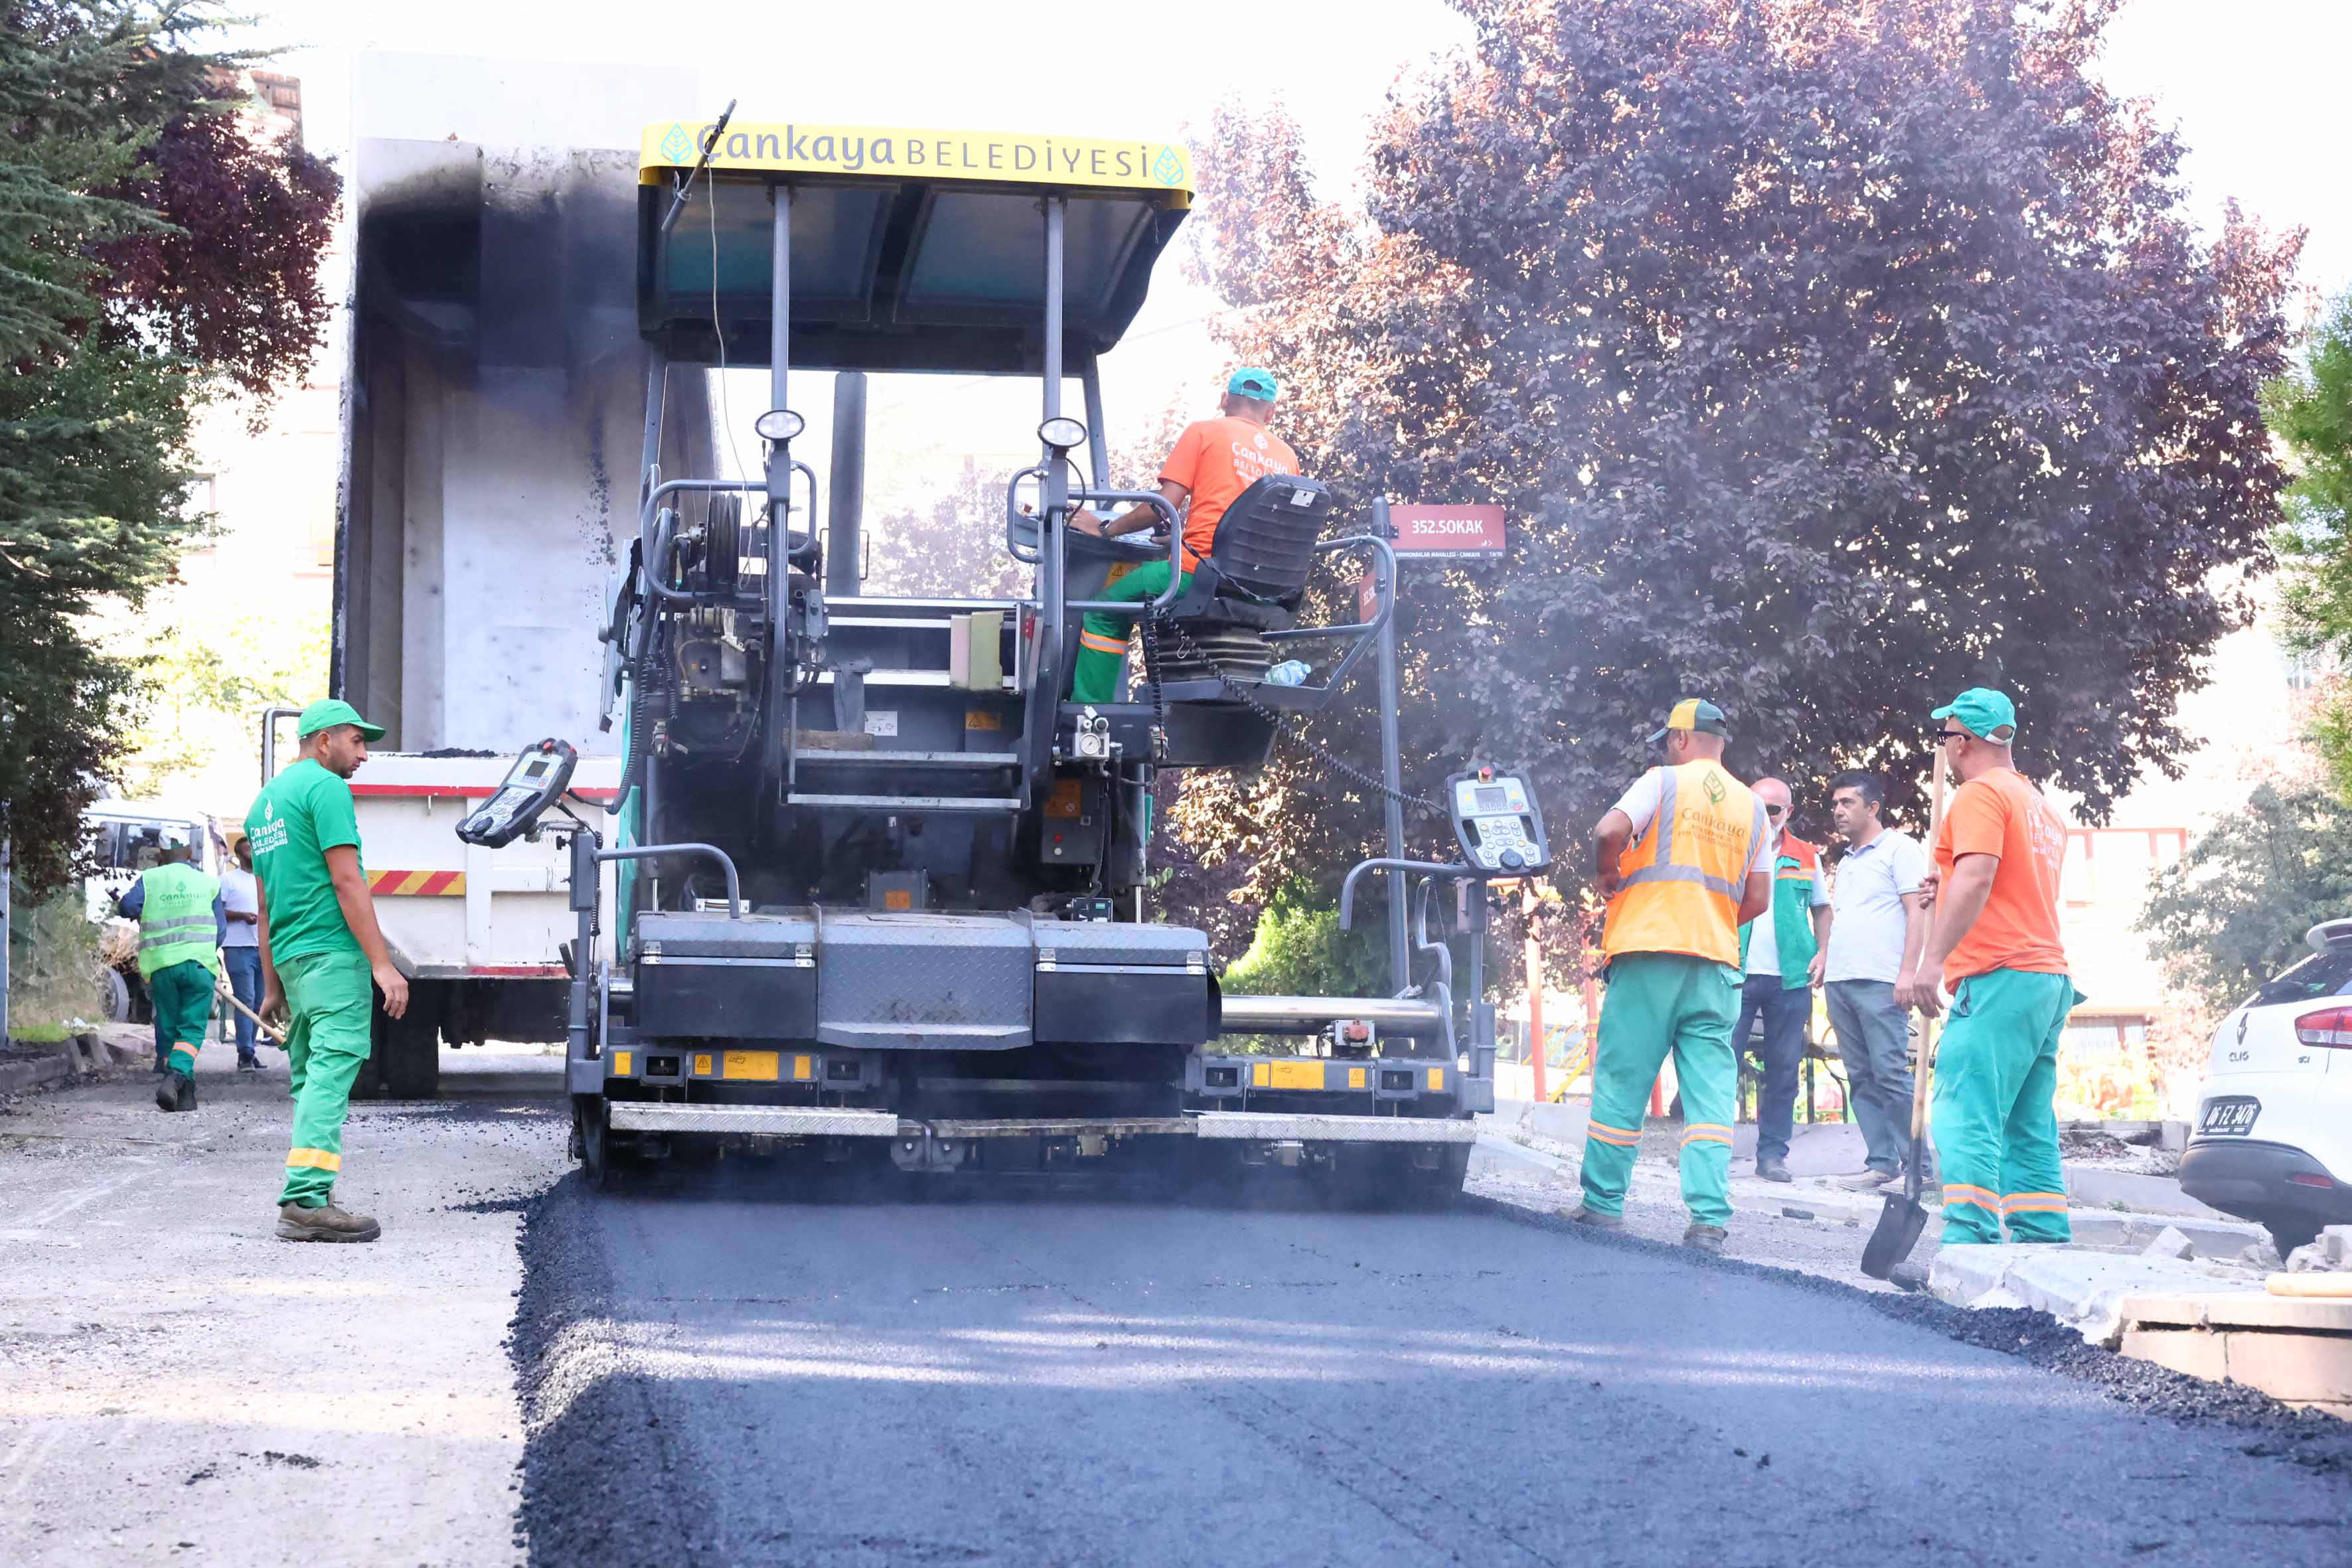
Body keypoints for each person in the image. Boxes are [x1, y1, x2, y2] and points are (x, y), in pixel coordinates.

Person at [1564, 699, 1773, 1254]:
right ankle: (1707, 1219)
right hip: (1715, 965)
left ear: (1681, 739)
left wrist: (1608, 871)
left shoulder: (1662, 781)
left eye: (1667, 739)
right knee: (1709, 1097)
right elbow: (1757, 898)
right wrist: (1709, 921)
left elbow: (1608, 828)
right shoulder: (1754, 808)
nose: (1664, 747)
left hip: (1650, 953)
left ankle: (1603, 1205)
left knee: (1622, 1082)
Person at [1895, 688, 2077, 1255]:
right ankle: (2043, 1237)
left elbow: (1978, 880)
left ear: (1963, 742)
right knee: (2025, 1120)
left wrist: (1931, 961)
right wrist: (1946, 883)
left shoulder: (1977, 795)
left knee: (1962, 1108)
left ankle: (1969, 1237)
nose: (1945, 750)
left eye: (1946, 737)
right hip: (2045, 978)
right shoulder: (2039, 805)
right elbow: (1998, 882)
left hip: (1999, 973)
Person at [246, 699, 409, 1244]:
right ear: (323, 743)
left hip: (292, 960)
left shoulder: (264, 805)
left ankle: (309, 1190)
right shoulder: (326, 789)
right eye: (356, 742)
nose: (363, 754)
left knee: (309, 1075)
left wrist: (271, 985)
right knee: (332, 1071)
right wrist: (382, 964)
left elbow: (265, 908)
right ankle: (306, 1199)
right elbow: (347, 882)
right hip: (330, 954)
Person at [1067, 368, 1298, 704]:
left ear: (1224, 400)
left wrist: (1105, 529)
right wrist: (1179, 538)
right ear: (1271, 411)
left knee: (1105, 609)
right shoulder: (1287, 457)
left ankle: (1089, 714)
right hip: (1261, 589)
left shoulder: (1204, 433)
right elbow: (1254, 526)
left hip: (1199, 575)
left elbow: (1161, 509)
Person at [1820, 770, 1932, 1191]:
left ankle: (1919, 1170)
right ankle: (1882, 1163)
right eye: (1835, 804)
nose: (1838, 811)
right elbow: (1846, 919)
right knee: (1861, 1076)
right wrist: (1826, 956)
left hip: (1882, 982)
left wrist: (1909, 973)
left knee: (1890, 1074)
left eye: (1847, 803)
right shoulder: (1847, 860)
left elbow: (1916, 911)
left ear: (1873, 808)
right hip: (1841, 981)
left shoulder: (1900, 849)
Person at [1733, 777, 1831, 1182]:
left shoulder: (1807, 856)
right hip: (1733, 972)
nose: (1764, 815)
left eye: (1772, 809)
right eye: (1756, 807)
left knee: (1784, 1071)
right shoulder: (1729, 849)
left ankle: (1772, 1155)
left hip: (1790, 980)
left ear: (1788, 813)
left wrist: (1824, 953)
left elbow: (1822, 909)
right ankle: (1710, 1149)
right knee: (1721, 1063)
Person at [117, 842, 226, 1113]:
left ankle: (184, 1094)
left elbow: (128, 906)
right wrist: (202, 951)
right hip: (199, 966)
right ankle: (178, 1077)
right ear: (190, 854)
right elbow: (221, 930)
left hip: (162, 966)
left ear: (162, 855)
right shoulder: (208, 883)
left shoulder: (151, 878)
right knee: (191, 1028)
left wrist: (137, 912)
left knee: (168, 1026)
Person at [218, 834, 268, 1071]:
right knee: (245, 1000)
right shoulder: (228, 880)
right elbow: (218, 911)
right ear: (238, 855)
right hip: (238, 947)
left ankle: (251, 1048)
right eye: (247, 849)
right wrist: (241, 916)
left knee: (260, 1001)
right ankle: (245, 1053)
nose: (252, 852)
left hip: (265, 948)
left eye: (254, 848)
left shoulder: (266, 879)